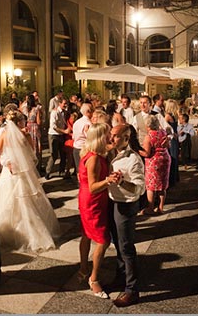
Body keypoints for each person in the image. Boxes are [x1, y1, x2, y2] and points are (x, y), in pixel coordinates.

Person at [0, 110, 60, 252]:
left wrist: (6, 162)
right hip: (23, 171)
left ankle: (8, 231)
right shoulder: (25, 135)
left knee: (8, 200)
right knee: (26, 200)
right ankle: (32, 231)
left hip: (10, 170)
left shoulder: (4, 134)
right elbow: (33, 152)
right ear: (19, 122)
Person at [78, 123, 119, 299]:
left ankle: (83, 269)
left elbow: (109, 147)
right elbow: (94, 187)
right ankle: (93, 278)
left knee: (86, 234)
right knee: (103, 239)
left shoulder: (90, 152)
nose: (110, 137)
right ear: (100, 138)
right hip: (92, 200)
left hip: (88, 198)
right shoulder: (94, 158)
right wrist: (109, 180)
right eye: (108, 134)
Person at [107, 124, 145, 307]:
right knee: (118, 244)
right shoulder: (112, 153)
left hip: (126, 205)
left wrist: (121, 181)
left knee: (126, 247)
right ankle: (120, 277)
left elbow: (139, 188)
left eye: (115, 136)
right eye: (111, 135)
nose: (111, 138)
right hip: (113, 202)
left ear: (126, 138)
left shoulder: (134, 159)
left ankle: (132, 290)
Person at [139, 115, 171, 216]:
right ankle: (161, 207)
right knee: (162, 185)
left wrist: (137, 150)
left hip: (154, 162)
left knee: (151, 186)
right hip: (165, 159)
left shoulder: (148, 137)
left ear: (148, 125)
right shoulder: (163, 132)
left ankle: (150, 207)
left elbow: (147, 153)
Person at [46, 98, 70, 179]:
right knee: (54, 155)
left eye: (66, 103)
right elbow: (53, 126)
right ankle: (48, 172)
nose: (65, 105)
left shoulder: (66, 113)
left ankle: (62, 171)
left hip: (61, 135)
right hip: (54, 135)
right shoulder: (55, 112)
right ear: (59, 103)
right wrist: (64, 131)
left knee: (63, 154)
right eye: (64, 103)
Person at [72, 103, 94, 176]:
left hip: (76, 147)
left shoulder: (76, 122)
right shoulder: (88, 123)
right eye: (92, 110)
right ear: (88, 112)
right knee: (86, 171)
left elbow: (73, 136)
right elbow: (90, 137)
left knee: (79, 171)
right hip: (85, 149)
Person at [24, 94, 43, 164]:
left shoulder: (25, 109)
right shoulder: (36, 109)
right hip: (34, 127)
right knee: (36, 145)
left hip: (27, 127)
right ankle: (38, 164)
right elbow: (38, 121)